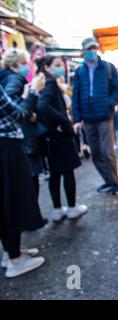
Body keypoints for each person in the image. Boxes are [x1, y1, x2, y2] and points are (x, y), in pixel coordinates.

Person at [0, 74, 47, 278]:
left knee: (6, 201)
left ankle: (11, 252)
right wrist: (34, 91)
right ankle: (15, 260)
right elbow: (21, 114)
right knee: (13, 201)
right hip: (7, 148)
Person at [36, 55, 88, 222]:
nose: (61, 68)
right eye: (57, 65)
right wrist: (63, 120)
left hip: (52, 137)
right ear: (47, 67)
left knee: (55, 174)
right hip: (59, 137)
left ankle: (58, 209)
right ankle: (72, 208)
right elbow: (43, 106)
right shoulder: (50, 84)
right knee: (67, 172)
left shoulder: (45, 83)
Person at [72, 38, 118, 195]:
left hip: (104, 117)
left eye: (94, 47)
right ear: (83, 51)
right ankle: (108, 180)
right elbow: (76, 96)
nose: (92, 51)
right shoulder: (79, 72)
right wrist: (76, 119)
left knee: (107, 152)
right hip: (88, 119)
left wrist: (109, 103)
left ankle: (115, 183)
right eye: (89, 48)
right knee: (95, 153)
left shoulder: (108, 67)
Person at [0, 49, 47, 199]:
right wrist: (29, 108)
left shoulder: (7, 77)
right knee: (30, 179)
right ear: (15, 65)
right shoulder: (15, 79)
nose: (27, 67)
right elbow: (13, 105)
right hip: (22, 136)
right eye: (25, 63)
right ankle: (31, 218)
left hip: (16, 137)